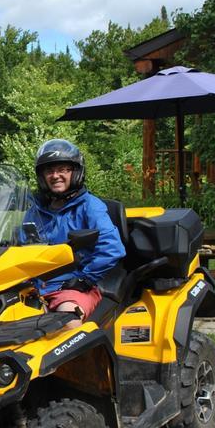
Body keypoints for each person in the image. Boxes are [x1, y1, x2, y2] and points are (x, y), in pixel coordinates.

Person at [20, 139, 125, 328]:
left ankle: (85, 358)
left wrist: (84, 279)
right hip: (35, 287)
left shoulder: (89, 206)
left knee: (68, 322)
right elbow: (22, 247)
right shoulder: (35, 210)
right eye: (49, 171)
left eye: (63, 169)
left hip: (73, 287)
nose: (55, 176)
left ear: (76, 173)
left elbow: (112, 248)